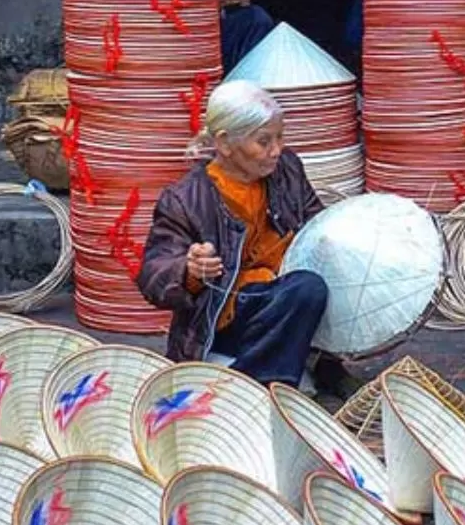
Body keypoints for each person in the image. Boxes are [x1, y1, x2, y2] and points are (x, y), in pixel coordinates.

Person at [137, 80, 354, 396]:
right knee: (306, 289)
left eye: (280, 137)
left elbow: (314, 224)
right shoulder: (186, 198)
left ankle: (305, 368)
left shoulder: (287, 169)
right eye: (263, 141)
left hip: (283, 296)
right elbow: (153, 273)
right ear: (225, 144)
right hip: (229, 315)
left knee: (327, 276)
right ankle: (258, 386)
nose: (276, 150)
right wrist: (189, 270)